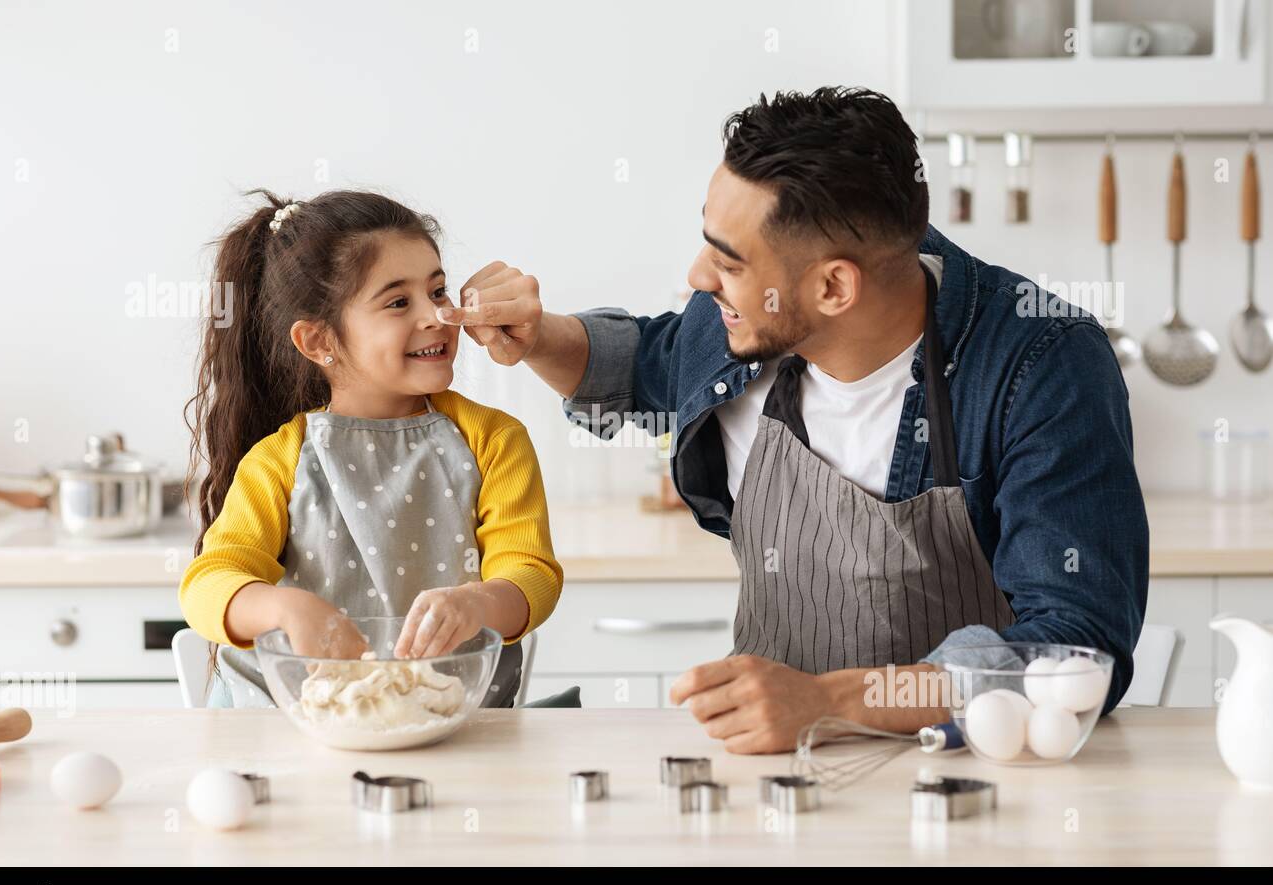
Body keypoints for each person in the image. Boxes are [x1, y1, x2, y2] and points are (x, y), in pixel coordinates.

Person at [445, 87, 1148, 753]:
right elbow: (650, 366)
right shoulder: (742, 320)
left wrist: (830, 700)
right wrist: (538, 336)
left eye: (728, 262)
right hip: (774, 769)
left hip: (969, 776)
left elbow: (1074, 648)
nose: (697, 276)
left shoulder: (1043, 364)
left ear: (834, 286)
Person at [179, 189, 563, 708]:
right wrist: (287, 609)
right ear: (318, 342)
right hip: (290, 732)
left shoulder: (493, 440)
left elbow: (531, 575)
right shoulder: (281, 459)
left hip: (451, 724)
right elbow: (207, 585)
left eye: (439, 291)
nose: (435, 317)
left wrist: (477, 604)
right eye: (398, 302)